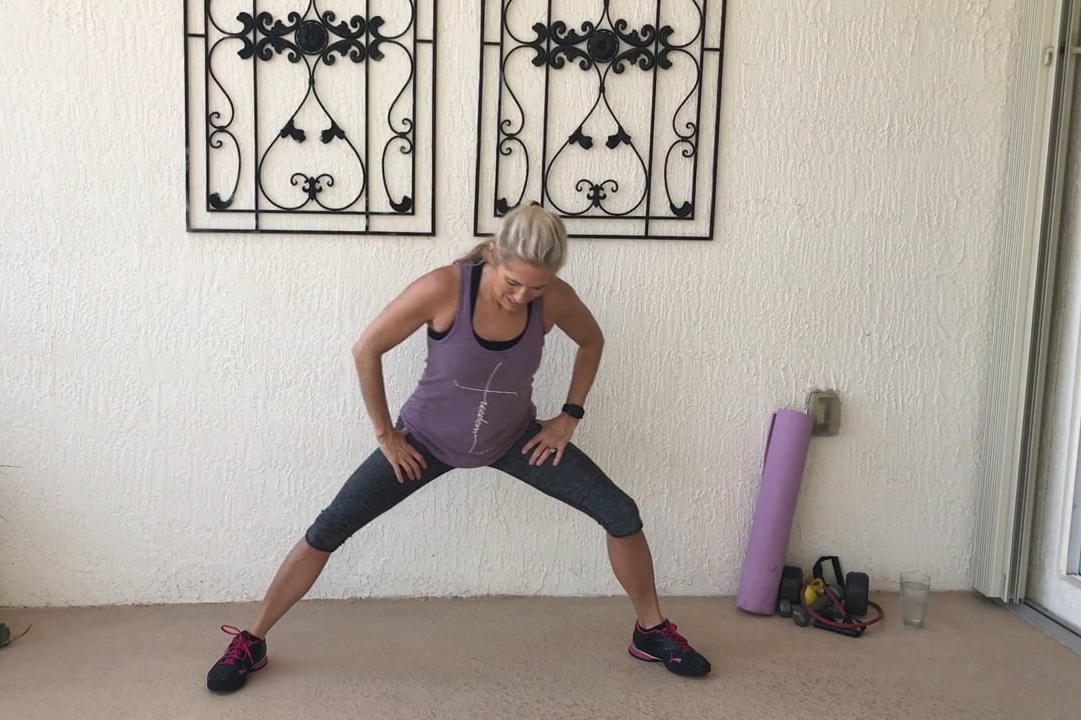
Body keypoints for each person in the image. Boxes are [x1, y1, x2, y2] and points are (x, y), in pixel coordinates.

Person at [207, 205, 711, 693]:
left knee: (621, 513)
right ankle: (252, 640)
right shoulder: (445, 288)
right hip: (424, 443)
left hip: (514, 438)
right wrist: (386, 435)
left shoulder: (554, 298)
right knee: (328, 529)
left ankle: (651, 631)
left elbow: (592, 341)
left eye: (536, 287)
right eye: (513, 283)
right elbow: (367, 349)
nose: (522, 297)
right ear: (493, 255)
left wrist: (569, 417)